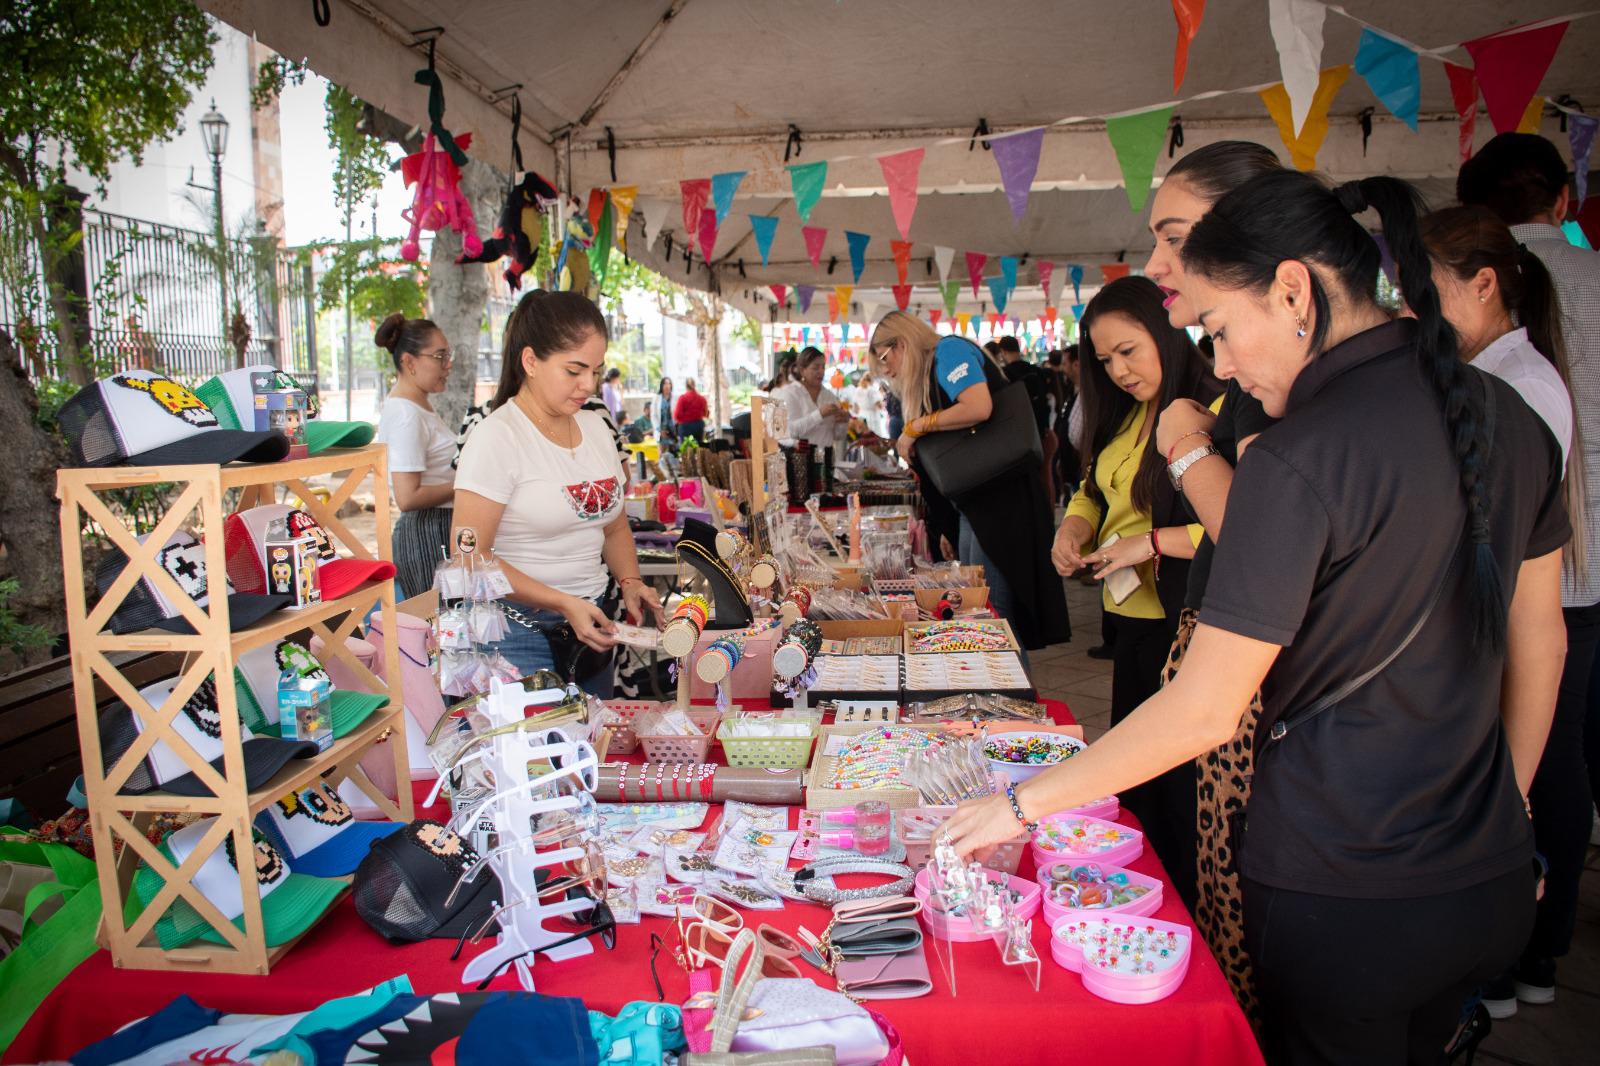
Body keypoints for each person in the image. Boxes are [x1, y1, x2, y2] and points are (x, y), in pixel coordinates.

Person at [944, 170, 1569, 1066]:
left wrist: (1019, 803)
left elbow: (1206, 709)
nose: (1223, 363)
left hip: (1345, 893)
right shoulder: (1510, 417)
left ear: (1293, 291)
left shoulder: (1299, 456)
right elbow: (1538, 645)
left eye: (1221, 330)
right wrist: (1507, 800)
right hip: (1488, 878)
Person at [1451, 138, 1600, 1016]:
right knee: (1566, 755)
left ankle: (1500, 959)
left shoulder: (1491, 306)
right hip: (1585, 570)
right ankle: (1543, 955)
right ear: (1560, 197)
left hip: (1519, 570)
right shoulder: (1582, 278)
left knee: (1515, 753)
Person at [1137, 138, 1283, 1017]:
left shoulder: (1271, 384)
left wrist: (1185, 442)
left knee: (1242, 910)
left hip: (1251, 677)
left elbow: (1252, 535)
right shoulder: (1250, 376)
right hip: (1228, 661)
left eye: (1175, 235)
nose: (1158, 261)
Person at [1052, 276, 1220, 909]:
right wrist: (1074, 527)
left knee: (1174, 785)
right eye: (1104, 361)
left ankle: (1175, 910)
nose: (1119, 370)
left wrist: (1149, 543)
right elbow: (1095, 489)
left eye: (1129, 350)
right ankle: (1142, 897)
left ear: (1169, 331)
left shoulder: (1211, 412)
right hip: (1133, 620)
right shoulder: (1128, 415)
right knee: (1136, 780)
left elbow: (1236, 528)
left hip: (1186, 627)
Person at [453, 290, 663, 696]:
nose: (588, 384)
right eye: (574, 370)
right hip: (514, 629)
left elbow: (614, 526)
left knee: (589, 745)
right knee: (540, 755)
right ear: (530, 361)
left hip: (592, 620)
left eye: (596, 371)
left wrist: (631, 580)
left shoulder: (596, 429)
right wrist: (562, 601)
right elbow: (469, 558)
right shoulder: (497, 438)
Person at [870, 312, 1069, 650]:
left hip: (1002, 498)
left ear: (901, 343)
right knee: (978, 608)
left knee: (993, 612)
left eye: (885, 360)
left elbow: (978, 405)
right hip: (977, 501)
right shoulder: (931, 371)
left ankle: (1010, 696)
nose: (888, 371)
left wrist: (916, 427)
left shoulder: (949, 352)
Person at [372, 313, 457, 600]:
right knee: (437, 631)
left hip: (440, 529)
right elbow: (407, 497)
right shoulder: (406, 414)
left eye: (448, 354)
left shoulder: (418, 407)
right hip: (426, 535)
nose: (448, 364)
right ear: (409, 362)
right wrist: (466, 483)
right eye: (439, 356)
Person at [997, 335, 1056, 499]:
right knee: (1044, 477)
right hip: (1040, 431)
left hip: (1017, 438)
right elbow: (1045, 403)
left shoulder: (1005, 375)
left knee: (1025, 484)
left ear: (1003, 352)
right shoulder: (1036, 371)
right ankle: (1047, 517)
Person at [776, 346, 849, 452]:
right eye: (815, 367)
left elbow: (838, 436)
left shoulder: (829, 396)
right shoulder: (791, 393)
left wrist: (843, 422)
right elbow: (791, 431)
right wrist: (819, 414)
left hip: (826, 457)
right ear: (802, 370)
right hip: (800, 458)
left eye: (823, 367)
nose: (821, 372)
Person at [674, 378, 709, 443]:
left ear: (686, 386)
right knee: (698, 448)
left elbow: (677, 415)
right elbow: (706, 413)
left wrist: (682, 420)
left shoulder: (682, 398)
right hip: (698, 426)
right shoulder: (702, 399)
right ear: (694, 385)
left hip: (685, 427)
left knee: (686, 449)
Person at [654, 377, 677, 442]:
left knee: (674, 450)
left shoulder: (675, 398)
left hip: (673, 430)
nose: (667, 386)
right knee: (662, 450)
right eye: (665, 384)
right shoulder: (656, 398)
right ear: (662, 386)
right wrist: (659, 430)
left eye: (669, 384)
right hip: (661, 431)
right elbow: (654, 416)